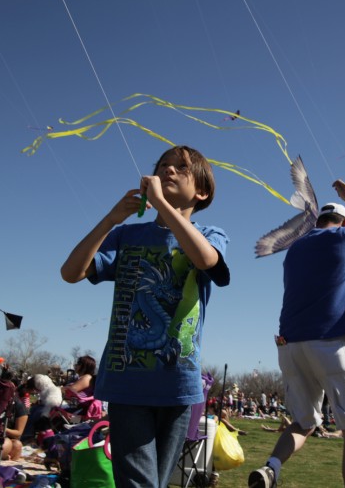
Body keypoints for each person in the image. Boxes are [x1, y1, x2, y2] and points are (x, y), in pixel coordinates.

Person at [61, 145, 230, 488]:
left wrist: (164, 208)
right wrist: (110, 219)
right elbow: (71, 272)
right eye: (163, 165)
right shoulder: (127, 236)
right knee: (141, 483)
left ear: (202, 191)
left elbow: (206, 261)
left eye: (180, 168)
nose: (168, 170)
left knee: (155, 482)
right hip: (128, 381)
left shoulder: (211, 235)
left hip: (178, 384)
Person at [248, 179, 345, 488]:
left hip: (289, 344)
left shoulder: (296, 248)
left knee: (303, 421)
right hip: (328, 343)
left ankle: (271, 468)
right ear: (344, 222)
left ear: (317, 220)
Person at [63, 355, 103, 419]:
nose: (75, 365)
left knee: (57, 416)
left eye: (78, 363)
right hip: (78, 410)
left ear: (84, 366)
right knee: (54, 413)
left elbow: (69, 390)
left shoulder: (87, 378)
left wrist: (56, 389)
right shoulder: (84, 377)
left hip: (81, 415)